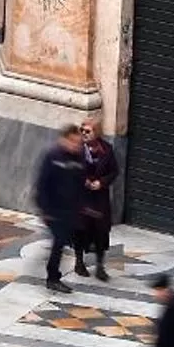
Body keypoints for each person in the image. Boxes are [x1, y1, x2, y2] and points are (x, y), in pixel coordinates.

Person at [34, 122, 87, 292]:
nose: (76, 145)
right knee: (59, 242)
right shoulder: (53, 156)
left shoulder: (79, 158)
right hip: (54, 210)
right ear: (64, 140)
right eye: (73, 141)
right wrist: (45, 209)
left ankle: (54, 274)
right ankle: (53, 277)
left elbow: (80, 183)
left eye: (79, 143)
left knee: (63, 241)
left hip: (70, 210)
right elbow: (42, 183)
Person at [75, 114, 121, 280]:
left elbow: (114, 171)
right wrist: (83, 180)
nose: (84, 133)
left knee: (101, 230)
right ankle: (79, 262)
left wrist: (101, 182)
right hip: (82, 196)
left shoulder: (106, 149)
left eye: (88, 131)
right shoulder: (77, 148)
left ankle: (100, 266)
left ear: (97, 132)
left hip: (99, 197)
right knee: (81, 229)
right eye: (82, 130)